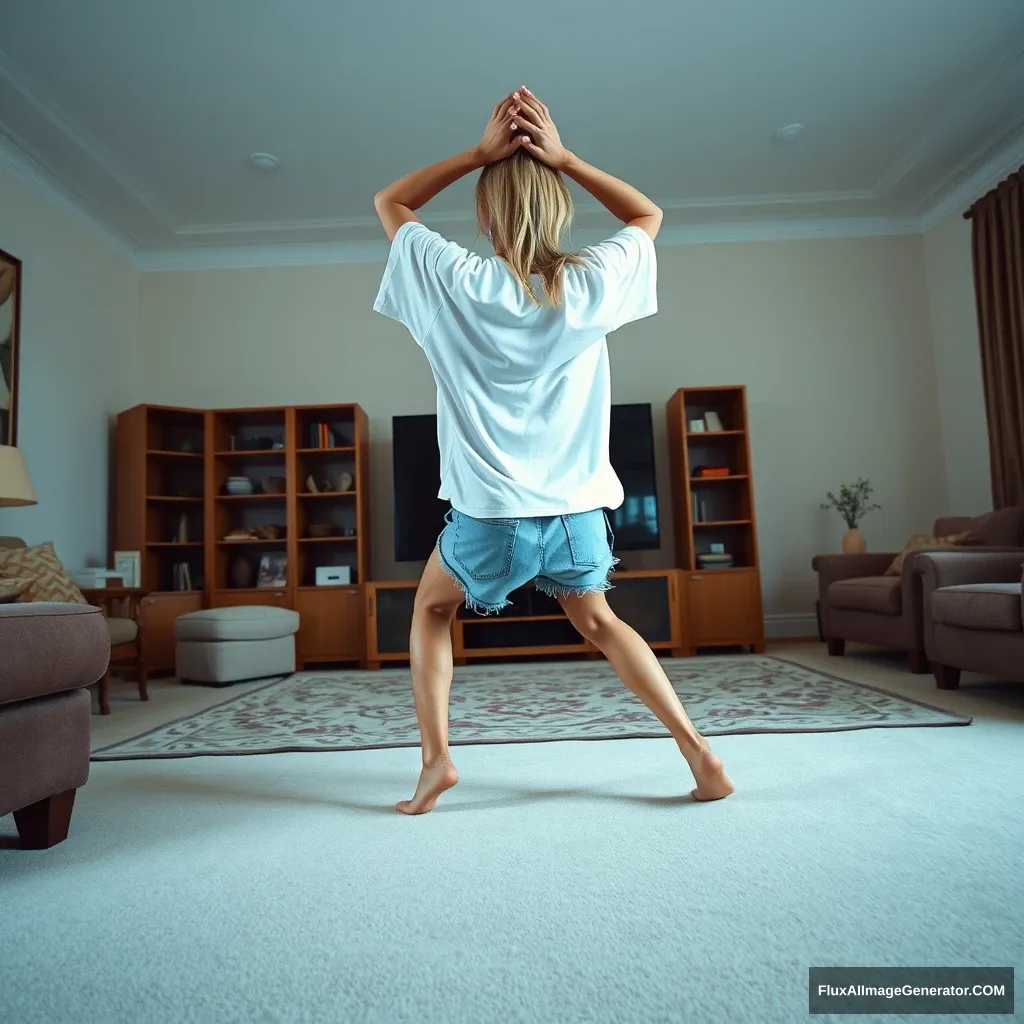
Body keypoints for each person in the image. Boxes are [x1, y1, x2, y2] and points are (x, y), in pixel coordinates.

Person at [373, 87, 734, 814]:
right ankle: (699, 752)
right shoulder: (589, 283)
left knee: (430, 613)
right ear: (561, 207)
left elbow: (391, 203)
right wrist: (566, 158)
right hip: (576, 515)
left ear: (483, 212)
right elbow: (646, 215)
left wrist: (479, 154)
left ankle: (438, 761)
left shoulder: (455, 280)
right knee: (600, 621)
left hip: (492, 519)